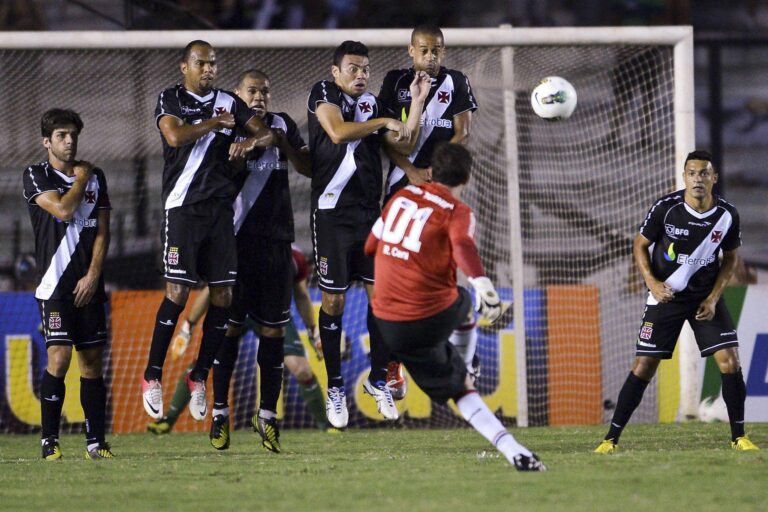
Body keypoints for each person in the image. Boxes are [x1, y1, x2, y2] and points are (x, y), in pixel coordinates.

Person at [364, 142, 546, 471]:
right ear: (468, 178)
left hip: (386, 324)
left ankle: (509, 443)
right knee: (463, 301)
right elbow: (462, 244)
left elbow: (370, 245)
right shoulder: (457, 211)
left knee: (457, 385)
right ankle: (471, 371)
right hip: (427, 315)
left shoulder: (399, 198)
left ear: (431, 172)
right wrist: (483, 284)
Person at [142, 40, 275, 423]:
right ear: (184, 66)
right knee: (178, 292)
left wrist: (249, 142)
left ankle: (198, 375)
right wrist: (216, 124)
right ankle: (152, 375)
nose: (209, 69)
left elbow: (267, 135)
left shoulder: (230, 103)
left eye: (213, 64)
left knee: (224, 296)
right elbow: (173, 137)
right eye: (201, 63)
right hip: (182, 209)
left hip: (219, 213)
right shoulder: (171, 99)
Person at [595, 150, 760, 454]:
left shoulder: (727, 215)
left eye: (704, 173)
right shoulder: (666, 208)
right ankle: (610, 439)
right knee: (644, 365)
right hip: (667, 295)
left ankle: (739, 437)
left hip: (703, 299)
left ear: (714, 177)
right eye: (692, 173)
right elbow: (640, 245)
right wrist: (652, 284)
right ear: (684, 177)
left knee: (729, 361)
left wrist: (713, 297)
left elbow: (731, 259)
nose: (698, 178)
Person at [307, 40, 430, 428]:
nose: (361, 75)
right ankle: (335, 388)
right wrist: (382, 122)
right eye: (354, 69)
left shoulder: (374, 105)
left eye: (365, 70)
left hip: (368, 217)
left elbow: (404, 142)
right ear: (336, 71)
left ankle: (378, 380)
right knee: (334, 304)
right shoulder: (323, 94)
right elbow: (337, 132)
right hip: (330, 215)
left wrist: (418, 101)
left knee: (383, 301)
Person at [378, 24, 480, 399]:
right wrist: (411, 172)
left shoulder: (457, 81)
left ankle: (463, 355)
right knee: (399, 273)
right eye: (424, 50)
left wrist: (436, 177)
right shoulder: (395, 82)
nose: (432, 56)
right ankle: (392, 366)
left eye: (437, 50)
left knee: (444, 267)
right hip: (401, 190)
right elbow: (386, 139)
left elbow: (463, 134)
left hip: (439, 190)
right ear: (411, 51)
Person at [147, 246, 333, 439]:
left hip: (272, 314)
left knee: (301, 369)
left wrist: (313, 331)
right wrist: (188, 326)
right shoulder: (236, 247)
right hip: (236, 311)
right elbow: (209, 292)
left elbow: (301, 295)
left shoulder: (294, 257)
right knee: (205, 362)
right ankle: (167, 421)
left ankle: (326, 426)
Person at [22, 109, 113, 460]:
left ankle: (96, 442)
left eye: (73, 134)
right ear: (47, 141)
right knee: (59, 359)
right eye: (61, 135)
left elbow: (103, 230)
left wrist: (93, 275)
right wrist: (81, 178)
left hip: (89, 285)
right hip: (54, 287)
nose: (70, 140)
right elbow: (62, 210)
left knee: (91, 362)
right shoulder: (35, 175)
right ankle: (49, 441)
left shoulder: (97, 176)